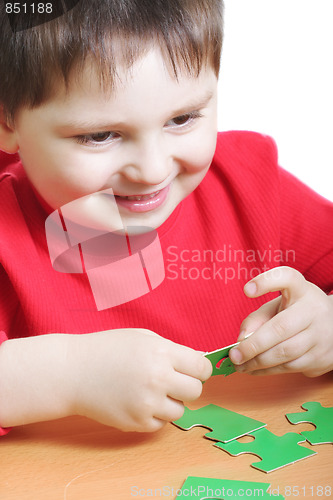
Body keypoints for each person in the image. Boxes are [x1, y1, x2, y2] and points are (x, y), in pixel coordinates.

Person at [0, 0, 332, 437]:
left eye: (182, 118)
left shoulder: (250, 182)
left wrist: (326, 324)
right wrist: (67, 376)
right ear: (7, 121)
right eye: (101, 135)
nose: (154, 170)